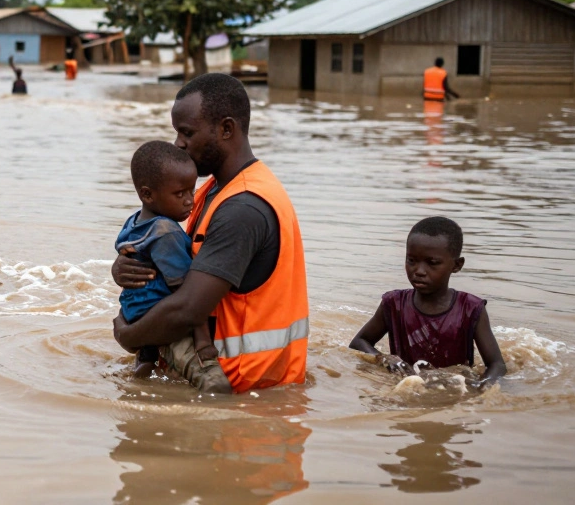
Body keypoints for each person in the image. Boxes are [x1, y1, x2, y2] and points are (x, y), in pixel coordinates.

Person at [112, 73, 309, 394]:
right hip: (217, 385)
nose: (179, 143)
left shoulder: (242, 208)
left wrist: (128, 336)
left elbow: (189, 307)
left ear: (226, 129)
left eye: (187, 132)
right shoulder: (211, 192)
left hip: (239, 396)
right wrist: (122, 267)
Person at [116, 141, 228, 389]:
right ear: (147, 194)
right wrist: (203, 343)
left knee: (146, 376)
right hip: (157, 318)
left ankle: (145, 361)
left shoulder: (133, 221)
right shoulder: (166, 232)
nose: (190, 201)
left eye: (192, 191)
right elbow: (186, 292)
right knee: (215, 385)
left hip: (133, 312)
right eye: (180, 194)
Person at [349, 216, 505, 388]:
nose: (419, 271)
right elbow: (359, 342)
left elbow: (497, 365)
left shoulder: (470, 309)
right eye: (411, 260)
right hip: (407, 388)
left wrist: (482, 387)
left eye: (432, 263)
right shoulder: (394, 304)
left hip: (454, 391)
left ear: (457, 265)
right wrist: (383, 358)